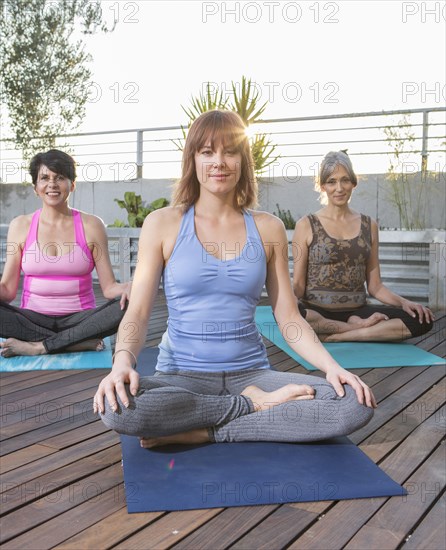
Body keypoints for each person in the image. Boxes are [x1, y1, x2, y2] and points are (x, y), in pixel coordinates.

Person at [94, 111, 375, 448]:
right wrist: (122, 362)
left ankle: (208, 430)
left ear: (243, 161)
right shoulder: (163, 224)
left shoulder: (267, 227)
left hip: (252, 373)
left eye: (230, 151)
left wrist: (332, 368)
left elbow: (287, 316)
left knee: (353, 404)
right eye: (207, 152)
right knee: (118, 406)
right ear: (193, 159)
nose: (219, 162)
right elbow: (138, 312)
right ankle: (252, 407)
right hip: (181, 379)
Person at [292, 150, 434, 342]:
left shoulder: (369, 225)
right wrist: (288, 302)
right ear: (323, 186)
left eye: (345, 180)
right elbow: (299, 285)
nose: (339, 188)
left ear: (353, 183)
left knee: (421, 319)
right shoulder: (306, 224)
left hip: (359, 310)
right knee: (291, 313)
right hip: (317, 313)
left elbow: (375, 286)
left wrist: (404, 302)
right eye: (332, 181)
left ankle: (343, 335)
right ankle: (355, 327)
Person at [0, 149, 131, 358]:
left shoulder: (92, 225)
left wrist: (133, 289)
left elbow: (109, 288)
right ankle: (72, 342)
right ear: (35, 187)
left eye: (60, 177)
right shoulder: (21, 225)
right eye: (44, 178)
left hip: (80, 320)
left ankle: (39, 346)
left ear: (72, 184)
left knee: (130, 304)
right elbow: (7, 290)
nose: (52, 184)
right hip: (32, 319)